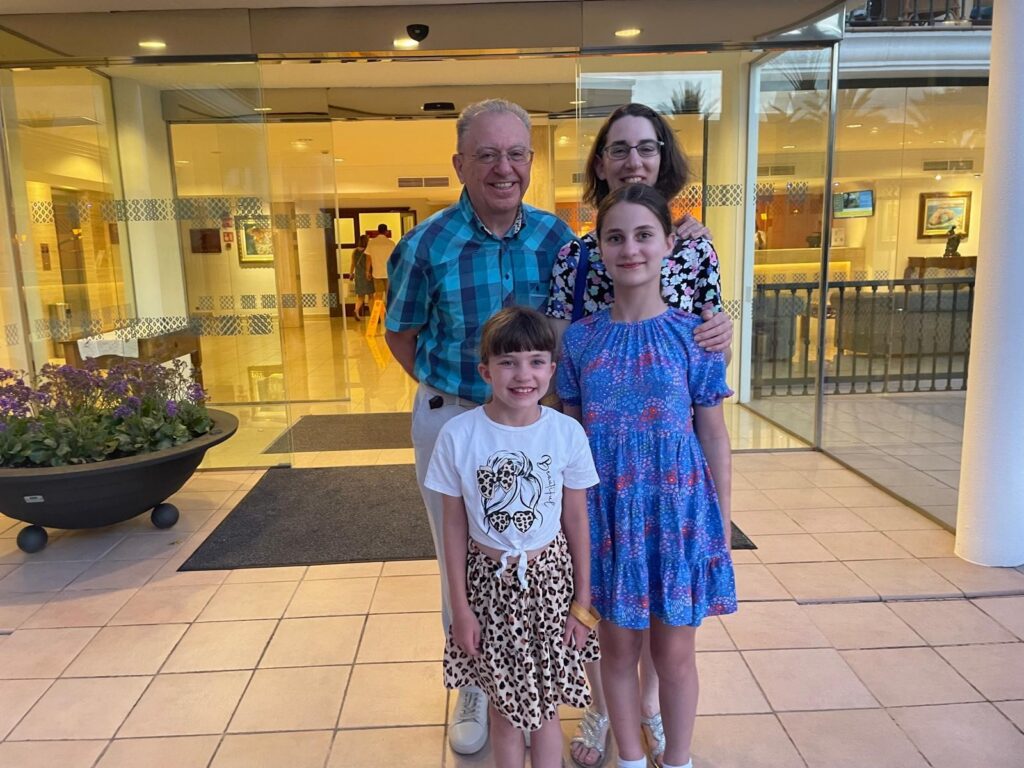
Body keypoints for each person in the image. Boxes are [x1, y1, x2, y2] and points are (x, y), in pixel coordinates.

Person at [385, 98, 578, 754]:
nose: (504, 168)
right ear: (460, 164)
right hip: (456, 419)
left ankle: (540, 673)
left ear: (531, 161)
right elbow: (401, 333)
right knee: (462, 556)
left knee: (538, 550)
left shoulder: (557, 239)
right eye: (488, 154)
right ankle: (473, 683)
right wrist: (452, 393)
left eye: (517, 154)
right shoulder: (426, 244)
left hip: (536, 422)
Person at [545, 102, 732, 768]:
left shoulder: (692, 321)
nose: (631, 249)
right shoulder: (580, 335)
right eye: (617, 239)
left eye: (645, 236)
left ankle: (671, 749)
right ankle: (624, 745)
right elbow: (567, 428)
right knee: (614, 645)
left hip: (676, 509)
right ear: (599, 248)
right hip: (604, 507)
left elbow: (713, 429)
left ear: (666, 244)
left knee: (675, 651)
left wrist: (720, 521)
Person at [424, 306, 602, 767]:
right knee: (504, 711)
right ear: (486, 371)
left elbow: (577, 519)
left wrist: (582, 602)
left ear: (552, 369)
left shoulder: (566, 433)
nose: (524, 375)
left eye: (536, 361)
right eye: (508, 362)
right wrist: (460, 610)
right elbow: (453, 526)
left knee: (546, 711)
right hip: (488, 590)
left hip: (551, 586)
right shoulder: (458, 435)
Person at [366, 222, 396, 304]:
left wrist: (367, 271)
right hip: (389, 272)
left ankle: (378, 311)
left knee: (378, 295)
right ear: (386, 231)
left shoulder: (372, 243)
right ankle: (388, 311)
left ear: (378, 231)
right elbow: (394, 258)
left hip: (377, 273)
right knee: (389, 294)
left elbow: (368, 259)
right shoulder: (391, 243)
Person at [350, 233, 373, 320]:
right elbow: (369, 262)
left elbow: (353, 263)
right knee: (370, 296)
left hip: (358, 275)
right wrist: (369, 272)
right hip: (367, 275)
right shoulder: (367, 251)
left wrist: (351, 273)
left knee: (360, 296)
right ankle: (372, 314)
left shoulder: (355, 251)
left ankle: (356, 310)